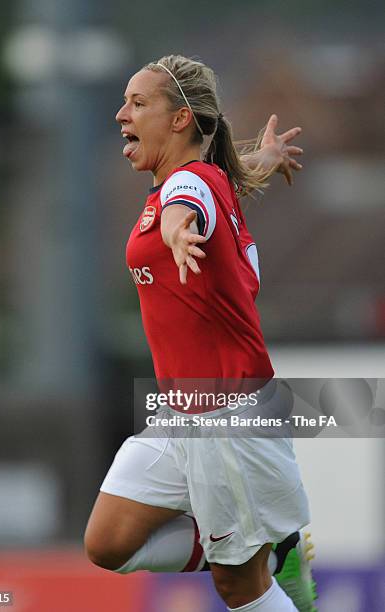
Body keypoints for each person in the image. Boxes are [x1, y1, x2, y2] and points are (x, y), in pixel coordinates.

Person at [84, 55, 316, 611]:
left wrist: (176, 230)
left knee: (237, 585)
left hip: (226, 419)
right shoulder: (207, 183)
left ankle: (269, 554)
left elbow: (186, 208)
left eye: (139, 104)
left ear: (182, 119)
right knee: (108, 543)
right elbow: (216, 188)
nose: (122, 114)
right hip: (182, 412)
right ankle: (265, 545)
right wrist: (263, 159)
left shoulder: (187, 188)